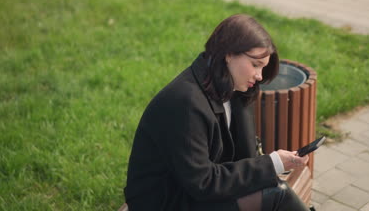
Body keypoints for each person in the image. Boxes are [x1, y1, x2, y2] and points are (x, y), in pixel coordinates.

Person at [124, 14, 310, 210]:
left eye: (262, 68)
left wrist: (275, 165)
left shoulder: (236, 89)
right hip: (167, 202)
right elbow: (203, 183)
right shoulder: (185, 102)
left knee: (274, 191)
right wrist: (272, 164)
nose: (259, 75)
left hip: (198, 191)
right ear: (228, 54)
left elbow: (244, 157)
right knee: (277, 195)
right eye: (255, 65)